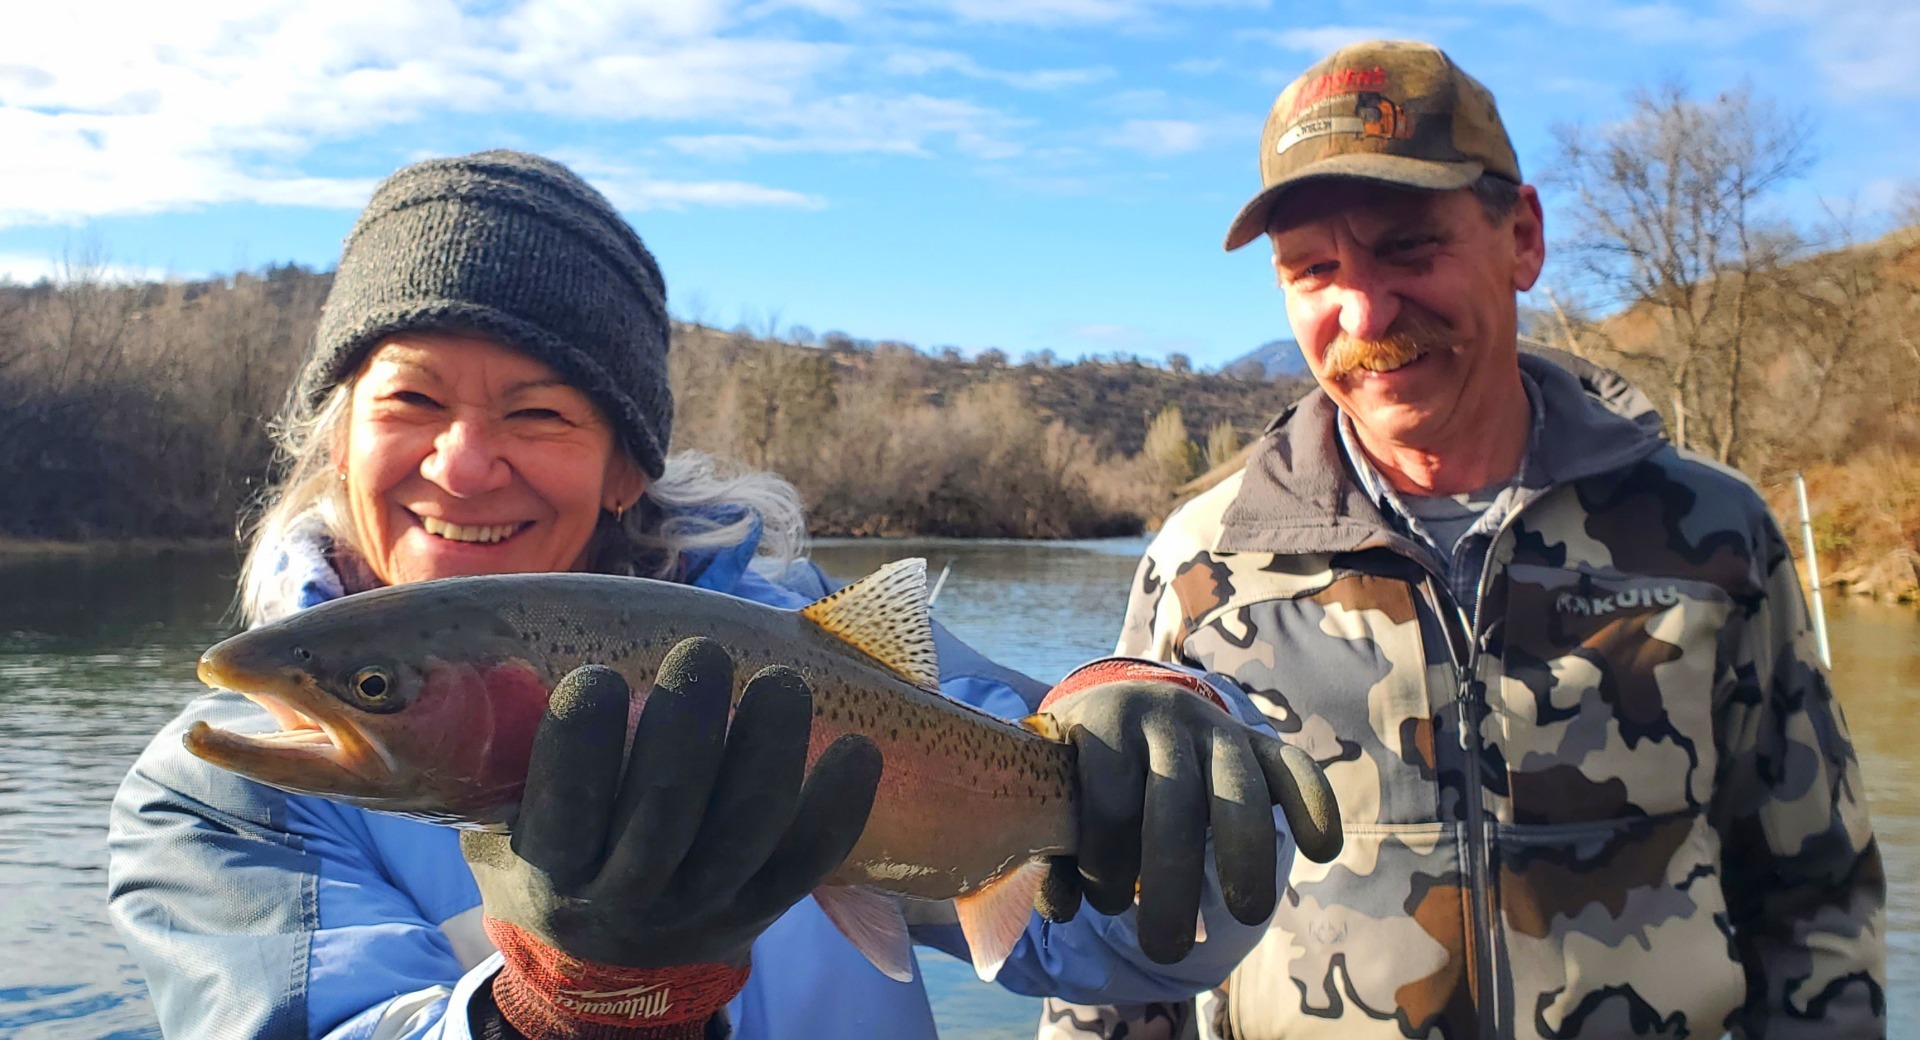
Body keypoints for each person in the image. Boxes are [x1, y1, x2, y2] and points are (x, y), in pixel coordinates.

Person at [105, 151, 1330, 1040]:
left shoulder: (803, 641)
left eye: (538, 412)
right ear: (336, 436)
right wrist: (560, 1011)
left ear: (626, 460)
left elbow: (1126, 945)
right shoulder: (219, 791)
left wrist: (1153, 739)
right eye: (410, 401)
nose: (464, 462)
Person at [1040, 39, 1885, 1040]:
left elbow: (1816, 898)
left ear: (1522, 236)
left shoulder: (1716, 535)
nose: (1363, 312)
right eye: (1313, 269)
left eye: (1407, 248)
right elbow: (1118, 943)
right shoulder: (1199, 567)